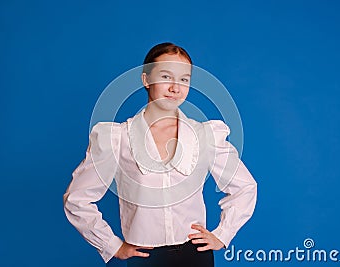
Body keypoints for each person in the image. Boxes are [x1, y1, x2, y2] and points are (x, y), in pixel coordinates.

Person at [63, 42, 258, 267]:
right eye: (166, 76)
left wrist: (223, 234)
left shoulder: (206, 135)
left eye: (184, 79)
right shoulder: (117, 138)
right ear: (146, 80)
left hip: (195, 256)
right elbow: (77, 199)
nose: (176, 87)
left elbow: (245, 187)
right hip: (146, 259)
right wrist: (110, 244)